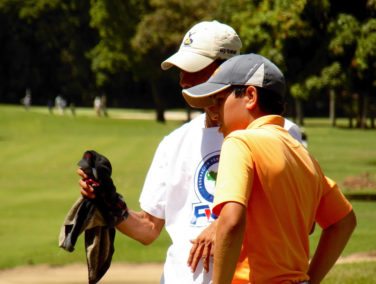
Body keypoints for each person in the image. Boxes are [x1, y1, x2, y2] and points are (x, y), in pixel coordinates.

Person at [79, 22, 303, 283]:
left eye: (194, 69)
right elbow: (149, 229)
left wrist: (221, 223)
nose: (183, 80)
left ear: (226, 67)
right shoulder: (173, 142)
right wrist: (107, 200)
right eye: (181, 70)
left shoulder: (279, 132)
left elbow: (290, 212)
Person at [182, 53, 357, 283]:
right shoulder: (303, 155)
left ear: (250, 96)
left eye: (220, 100)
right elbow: (343, 221)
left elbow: (232, 220)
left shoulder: (240, 142)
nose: (214, 112)